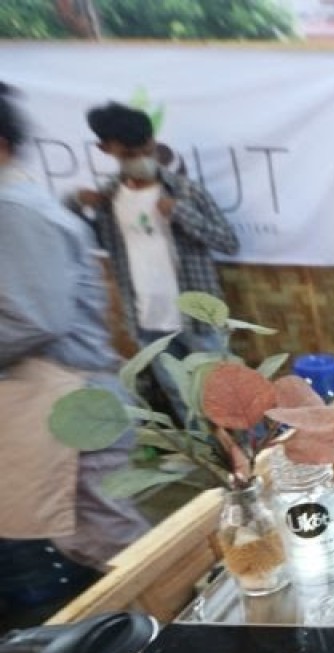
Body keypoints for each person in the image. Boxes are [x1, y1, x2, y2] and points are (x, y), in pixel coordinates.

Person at [0, 83, 150, 590]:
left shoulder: (15, 211)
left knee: (110, 540)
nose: (122, 160)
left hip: (75, 402)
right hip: (123, 332)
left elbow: (35, 318)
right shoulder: (92, 198)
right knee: (89, 535)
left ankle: (184, 642)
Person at [71, 102, 238, 423]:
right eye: (129, 154)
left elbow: (228, 241)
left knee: (229, 394)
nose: (141, 158)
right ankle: (209, 467)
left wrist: (180, 212)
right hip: (147, 319)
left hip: (198, 316)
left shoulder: (186, 192)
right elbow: (96, 242)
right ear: (106, 149)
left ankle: (252, 462)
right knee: (181, 398)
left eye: (145, 148)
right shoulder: (108, 198)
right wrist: (76, 204)